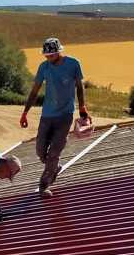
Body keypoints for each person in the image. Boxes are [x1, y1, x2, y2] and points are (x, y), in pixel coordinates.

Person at [20, 37, 91, 198]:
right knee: (40, 151)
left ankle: (43, 185)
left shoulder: (73, 64)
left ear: (59, 52)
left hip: (65, 116)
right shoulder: (44, 67)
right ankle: (54, 167)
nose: (49, 58)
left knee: (53, 153)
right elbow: (35, 91)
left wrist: (82, 107)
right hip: (47, 115)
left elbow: (80, 87)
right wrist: (25, 112)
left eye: (51, 55)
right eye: (47, 55)